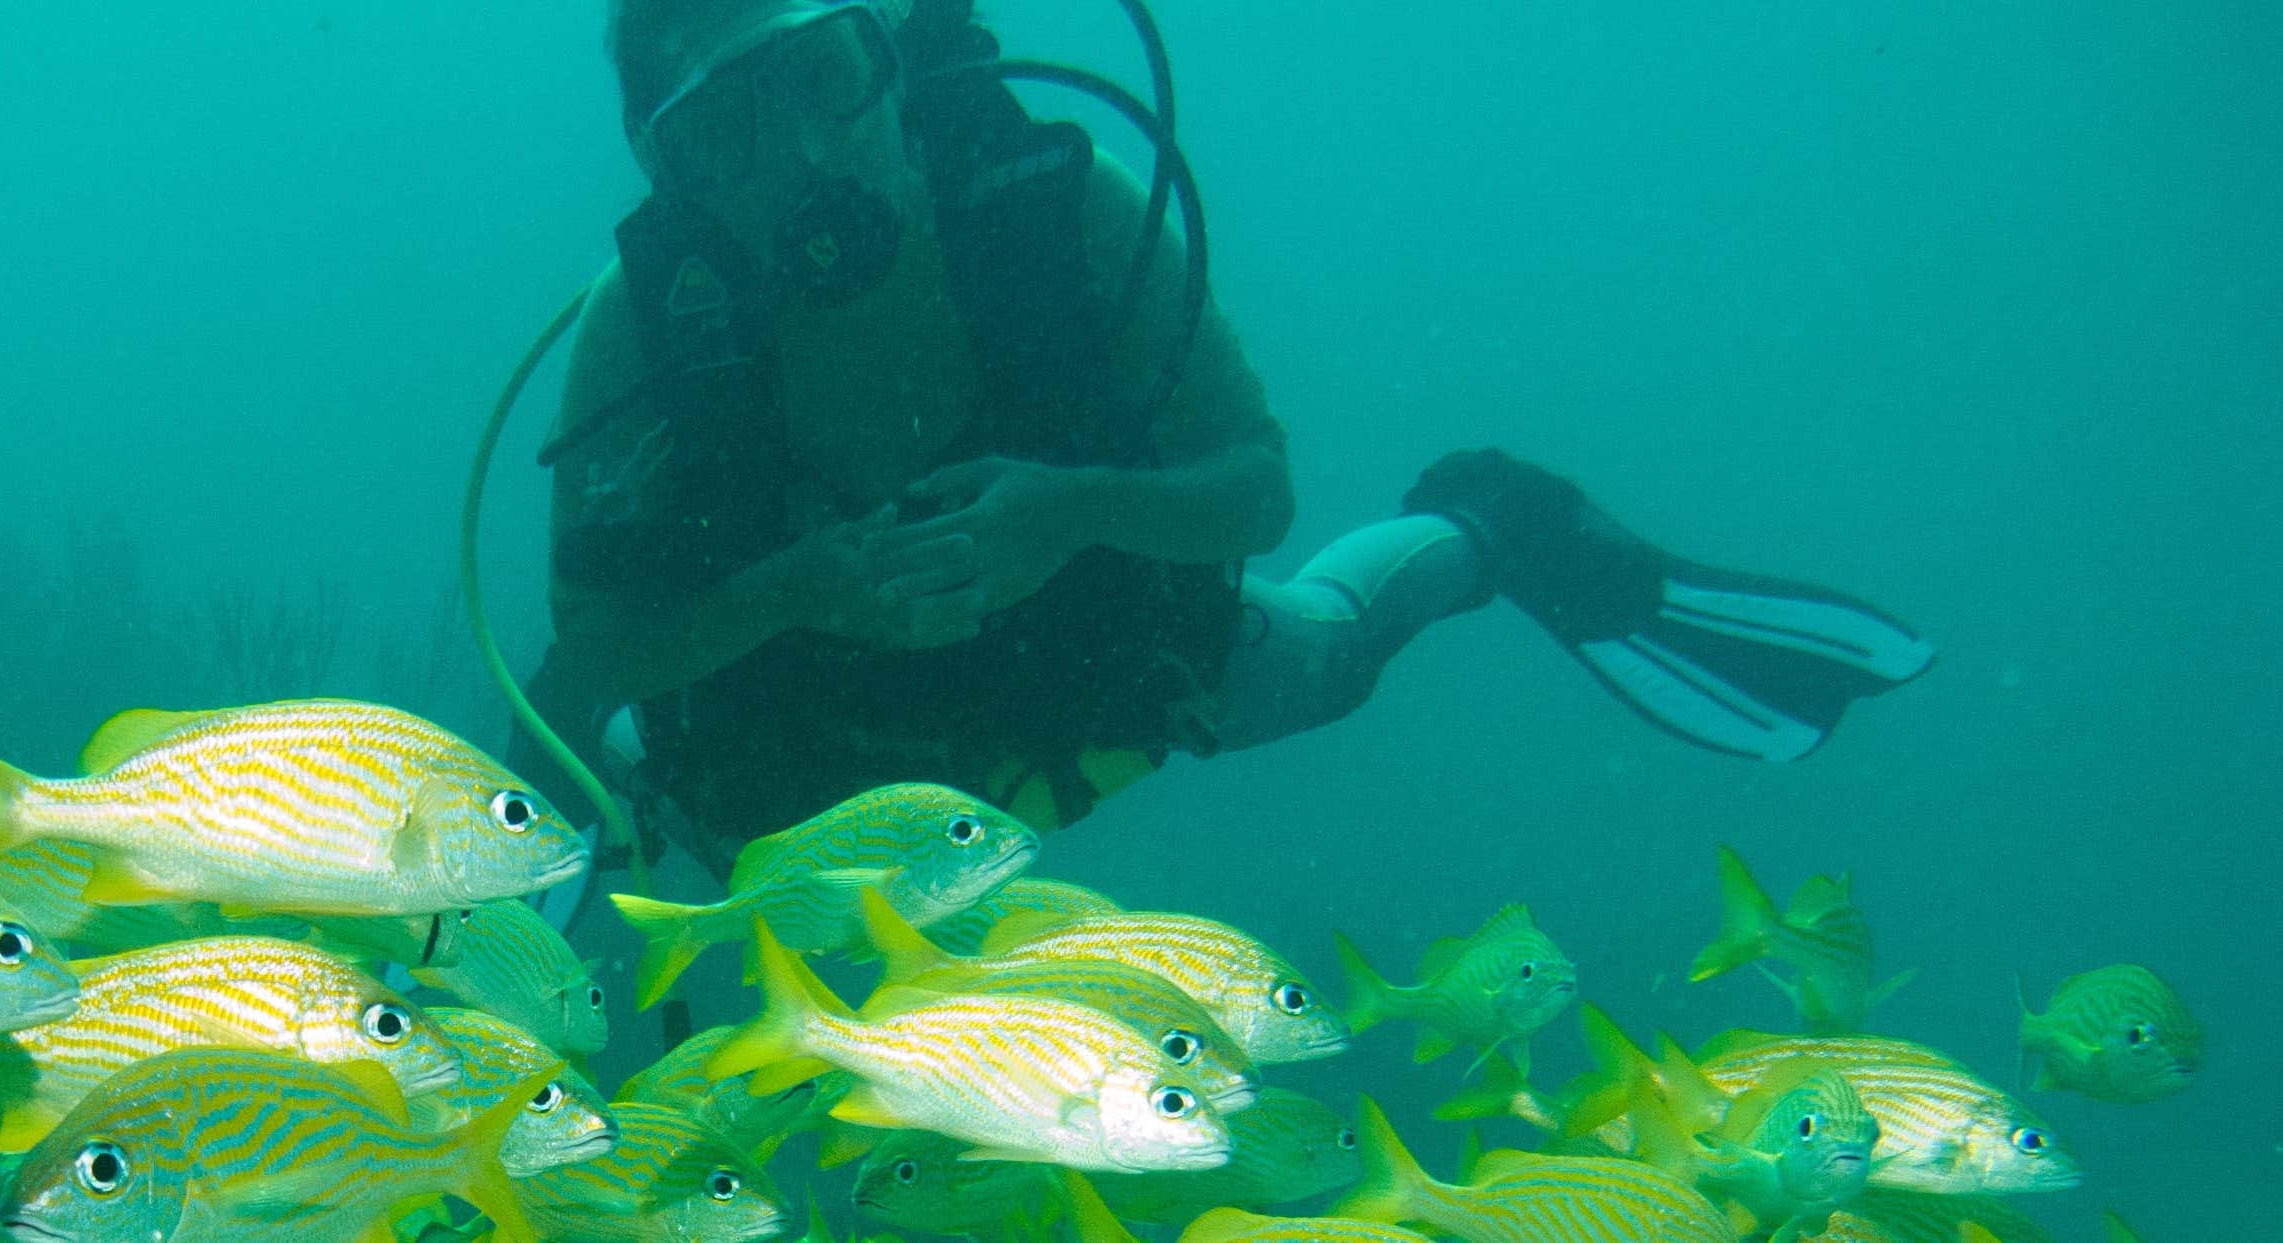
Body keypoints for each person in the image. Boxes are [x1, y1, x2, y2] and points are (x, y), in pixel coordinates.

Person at [523, 0, 1935, 877]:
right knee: (653, 870)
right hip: (801, 785)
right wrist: (799, 589)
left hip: (1088, 669)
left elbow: (1256, 490)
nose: (801, 159)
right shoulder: (640, 334)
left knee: (1324, 645)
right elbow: (581, 667)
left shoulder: (1054, 211)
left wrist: (1071, 510)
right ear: (667, 167)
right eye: (724, 131)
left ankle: (1488, 524)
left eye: (822, 75)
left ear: (888, 62)